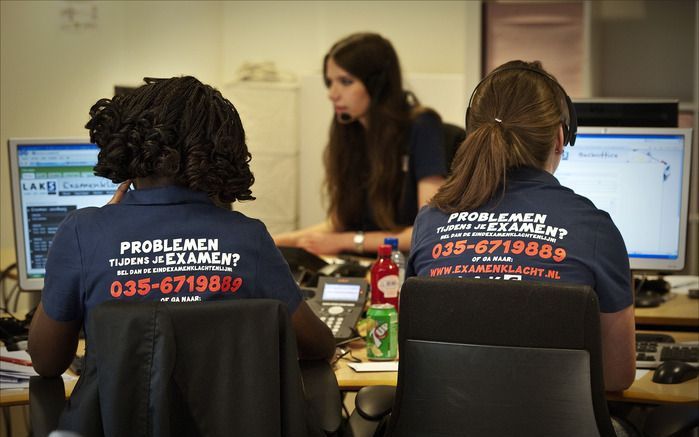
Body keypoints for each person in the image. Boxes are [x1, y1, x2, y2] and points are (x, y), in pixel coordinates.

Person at [28, 76, 335, 377]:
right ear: (222, 152)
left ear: (130, 143)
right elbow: (318, 344)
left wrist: (93, 229)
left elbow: (47, 362)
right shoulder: (247, 238)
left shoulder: (83, 232)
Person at [406, 60, 636, 392]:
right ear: (559, 137)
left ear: (474, 132)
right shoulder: (594, 228)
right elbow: (616, 377)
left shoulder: (431, 219)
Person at [274, 32, 447, 255]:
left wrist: (344, 241)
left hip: (402, 267)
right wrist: (277, 240)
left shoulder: (423, 126)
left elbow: (428, 231)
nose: (332, 94)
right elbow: (338, 222)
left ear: (377, 85)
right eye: (330, 82)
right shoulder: (350, 130)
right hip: (363, 263)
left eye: (345, 82)